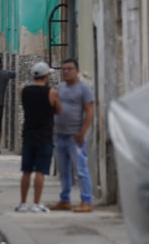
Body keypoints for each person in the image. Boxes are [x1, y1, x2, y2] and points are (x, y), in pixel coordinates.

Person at [51, 58, 96, 213]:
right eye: (64, 69)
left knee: (81, 170)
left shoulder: (84, 89)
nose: (66, 72)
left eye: (69, 69)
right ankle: (65, 199)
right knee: (64, 171)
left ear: (77, 71)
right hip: (60, 135)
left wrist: (82, 132)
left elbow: (90, 111)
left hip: (75, 136)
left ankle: (86, 200)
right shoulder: (60, 88)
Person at [16, 62, 61, 213]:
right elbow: (58, 110)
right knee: (40, 171)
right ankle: (36, 203)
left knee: (26, 170)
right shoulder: (51, 92)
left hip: (28, 134)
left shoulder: (23, 90)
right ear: (46, 76)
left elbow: (25, 106)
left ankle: (23, 203)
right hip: (44, 135)